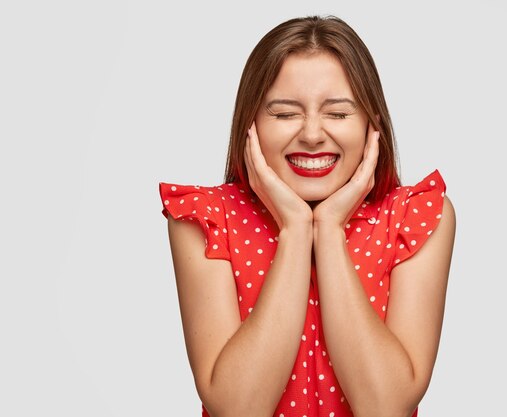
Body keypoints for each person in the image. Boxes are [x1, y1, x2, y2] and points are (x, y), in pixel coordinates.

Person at [158, 15, 456, 417]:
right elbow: (236, 409)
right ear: (251, 126)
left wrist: (329, 229)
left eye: (337, 114)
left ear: (372, 125)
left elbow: (386, 408)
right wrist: (296, 230)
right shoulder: (206, 218)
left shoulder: (414, 216)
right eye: (284, 114)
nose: (313, 134)